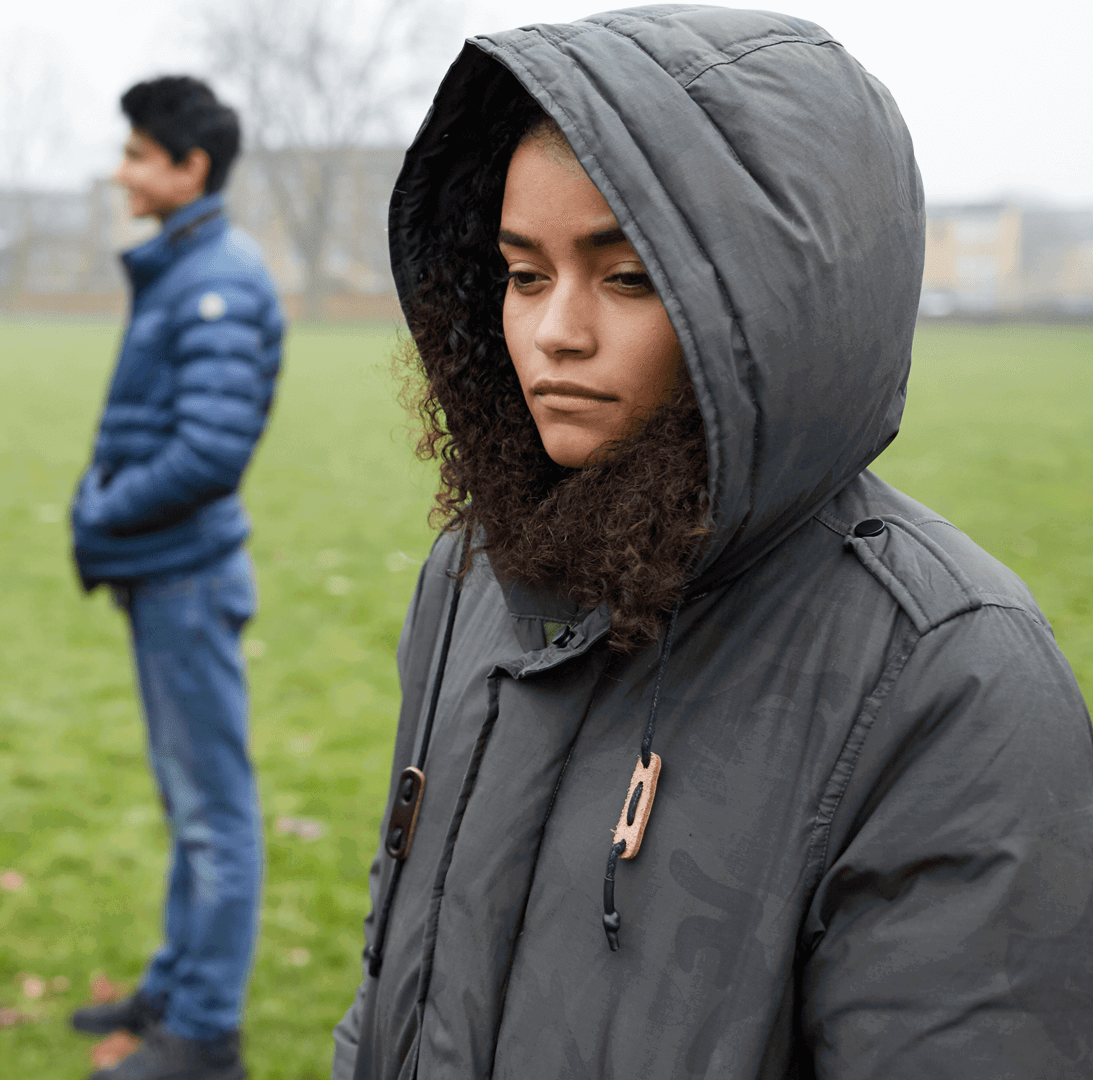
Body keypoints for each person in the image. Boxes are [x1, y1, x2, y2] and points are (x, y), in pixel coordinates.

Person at [333, 7, 1093, 1079]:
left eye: (629, 277)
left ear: (778, 309)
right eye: (524, 274)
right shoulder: (473, 574)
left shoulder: (952, 677)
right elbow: (389, 989)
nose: (555, 332)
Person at [68, 76, 285, 1080]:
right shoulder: (187, 266)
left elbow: (207, 452)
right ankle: (172, 987)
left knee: (213, 814)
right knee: (187, 803)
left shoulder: (220, 282)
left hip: (187, 577)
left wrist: (98, 509)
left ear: (190, 167)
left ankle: (204, 1033)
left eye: (139, 153)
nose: (124, 170)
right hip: (164, 577)